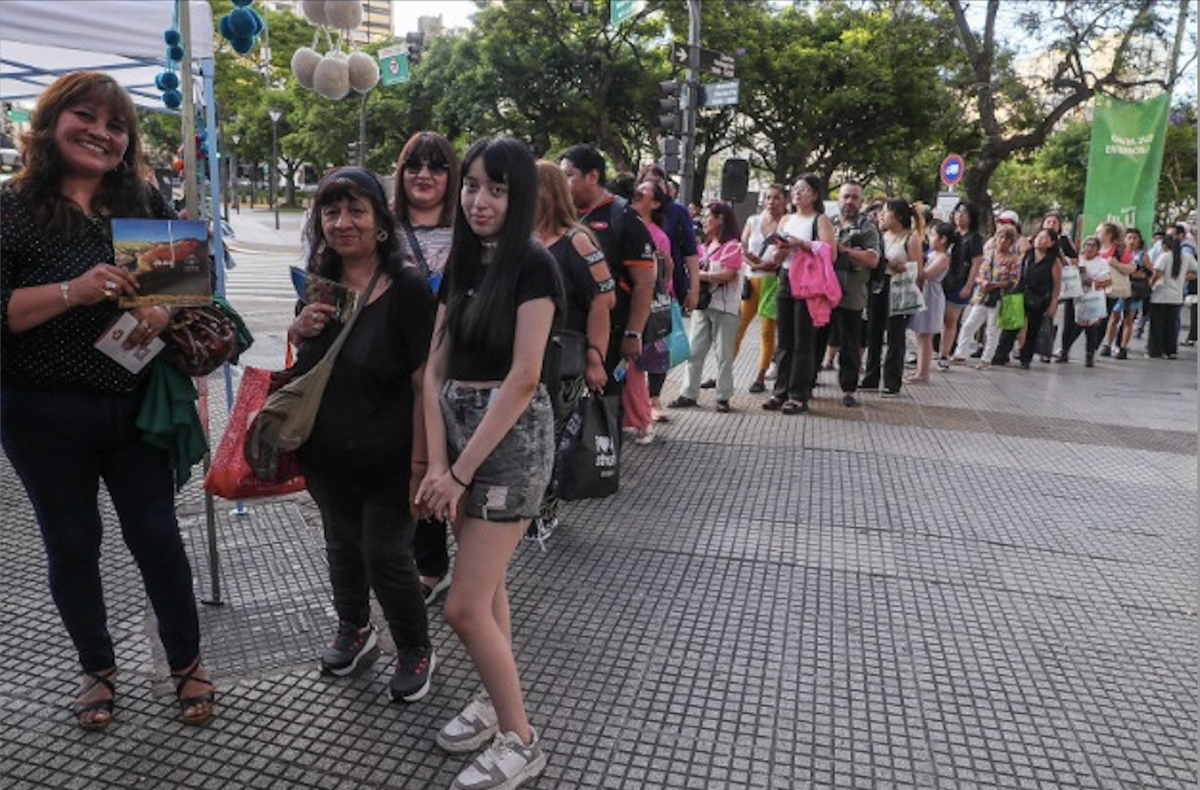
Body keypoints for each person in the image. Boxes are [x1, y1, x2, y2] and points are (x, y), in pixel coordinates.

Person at [0, 71, 214, 730]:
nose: (101, 132)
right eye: (85, 117)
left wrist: (158, 308)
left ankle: (186, 662)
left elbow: (184, 283)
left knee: (156, 538)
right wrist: (73, 291)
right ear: (51, 122)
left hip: (132, 402)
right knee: (71, 546)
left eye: (116, 124)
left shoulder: (143, 199)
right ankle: (96, 666)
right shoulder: (9, 207)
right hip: (40, 413)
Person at [417, 137, 561, 790]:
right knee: (489, 591)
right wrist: (435, 462)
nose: (478, 200)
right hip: (458, 439)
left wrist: (460, 471)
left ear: (520, 194)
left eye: (497, 189)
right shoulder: (465, 260)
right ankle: (495, 705)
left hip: (508, 445)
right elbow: (434, 367)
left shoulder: (535, 266)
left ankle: (522, 741)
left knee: (464, 606)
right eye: (472, 184)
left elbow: (525, 378)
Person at [291, 167, 438, 702]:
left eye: (356, 210)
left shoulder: (408, 288)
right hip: (327, 453)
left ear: (380, 220)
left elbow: (427, 380)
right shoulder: (320, 279)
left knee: (387, 556)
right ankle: (355, 628)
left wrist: (425, 463)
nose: (342, 222)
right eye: (331, 211)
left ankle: (415, 646)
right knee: (341, 546)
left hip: (391, 456)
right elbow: (308, 361)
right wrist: (299, 326)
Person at [529, 159, 614, 542]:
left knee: (550, 435)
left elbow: (603, 299)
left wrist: (596, 356)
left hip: (564, 357)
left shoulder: (577, 240)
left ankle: (543, 513)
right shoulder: (521, 239)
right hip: (525, 354)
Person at [392, 131, 460, 606]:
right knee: (400, 463)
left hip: (452, 368)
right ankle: (406, 553)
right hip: (392, 365)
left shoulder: (470, 232)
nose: (424, 174)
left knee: (441, 460)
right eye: (414, 164)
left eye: (436, 166)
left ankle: (433, 564)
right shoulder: (383, 229)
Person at [560, 145, 656, 406]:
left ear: (592, 176)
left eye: (569, 176)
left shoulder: (622, 217)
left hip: (610, 336)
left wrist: (633, 334)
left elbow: (644, 282)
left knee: (603, 410)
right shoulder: (561, 215)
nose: (563, 184)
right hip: (567, 333)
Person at [761, 175, 837, 414]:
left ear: (814, 194)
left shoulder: (820, 219)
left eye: (803, 190)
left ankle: (798, 395)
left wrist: (801, 243)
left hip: (808, 284)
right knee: (784, 340)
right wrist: (777, 253)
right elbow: (778, 255)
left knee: (803, 341)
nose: (797, 194)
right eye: (795, 190)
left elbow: (830, 253)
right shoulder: (786, 219)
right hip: (785, 278)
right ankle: (779, 391)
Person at [670, 200, 744, 412]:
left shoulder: (733, 247)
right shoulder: (703, 247)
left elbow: (727, 275)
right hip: (704, 307)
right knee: (694, 351)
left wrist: (698, 275)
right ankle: (688, 393)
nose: (703, 221)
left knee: (724, 354)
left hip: (725, 309)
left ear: (720, 219)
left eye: (707, 216)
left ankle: (723, 396)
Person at [813, 181, 882, 407]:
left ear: (861, 202)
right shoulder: (827, 224)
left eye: (854, 197)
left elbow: (873, 259)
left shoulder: (867, 228)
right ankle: (809, 380)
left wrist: (842, 251)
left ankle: (849, 388)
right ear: (838, 199)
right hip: (823, 292)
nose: (849, 202)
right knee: (817, 339)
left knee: (850, 343)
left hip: (851, 294)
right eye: (846, 197)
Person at [628, 177, 674, 443]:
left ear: (655, 202)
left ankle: (644, 418)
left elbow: (664, 273)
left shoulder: (658, 235)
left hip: (644, 305)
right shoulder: (626, 222)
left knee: (638, 365)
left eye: (645, 191)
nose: (639, 192)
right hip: (629, 302)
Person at [870, 198, 924, 394]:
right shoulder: (882, 236)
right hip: (879, 287)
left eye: (886, 212)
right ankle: (871, 377)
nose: (881, 216)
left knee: (895, 336)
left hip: (900, 289)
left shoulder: (911, 238)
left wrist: (895, 265)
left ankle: (892, 381)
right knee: (874, 333)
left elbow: (917, 270)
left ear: (898, 216)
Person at [949, 223, 1022, 369]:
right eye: (1000, 237)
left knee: (992, 329)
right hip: (982, 295)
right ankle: (961, 353)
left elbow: (1014, 280)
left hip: (999, 297)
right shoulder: (988, 254)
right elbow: (978, 272)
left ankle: (986, 359)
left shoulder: (1014, 260)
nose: (1003, 241)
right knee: (969, 325)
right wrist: (981, 282)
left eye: (1007, 238)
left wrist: (996, 284)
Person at [735, 184, 786, 393]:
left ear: (785, 201)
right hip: (750, 279)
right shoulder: (753, 221)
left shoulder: (787, 223)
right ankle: (724, 370)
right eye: (768, 198)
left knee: (767, 331)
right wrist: (752, 260)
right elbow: (743, 245)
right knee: (738, 327)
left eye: (776, 198)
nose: (772, 202)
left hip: (772, 281)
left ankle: (760, 376)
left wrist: (765, 264)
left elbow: (782, 254)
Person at [993, 227, 1062, 369]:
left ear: (1052, 243)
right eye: (1038, 237)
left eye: (1044, 238)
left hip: (1040, 298)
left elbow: (1057, 285)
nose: (1040, 240)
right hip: (1019, 293)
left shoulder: (1054, 261)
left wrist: (1053, 303)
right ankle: (1000, 355)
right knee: (1010, 327)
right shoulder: (1026, 255)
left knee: (1033, 329)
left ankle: (1026, 358)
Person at [937, 201, 985, 371]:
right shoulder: (951, 234)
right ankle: (937, 351)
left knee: (950, 319)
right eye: (958, 212)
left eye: (964, 213)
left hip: (960, 282)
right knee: (939, 317)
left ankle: (944, 354)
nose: (960, 216)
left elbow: (976, 263)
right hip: (943, 280)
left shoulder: (974, 238)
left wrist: (969, 285)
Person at [906, 221, 954, 383]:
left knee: (925, 336)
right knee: (920, 335)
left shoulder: (943, 258)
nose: (930, 237)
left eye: (933, 234)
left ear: (943, 239)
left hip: (931, 296)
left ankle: (923, 373)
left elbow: (925, 274)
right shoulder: (933, 254)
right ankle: (920, 370)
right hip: (925, 293)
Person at [1147, 233, 1198, 359]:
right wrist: (1184, 278)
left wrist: (1150, 285)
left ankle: (1155, 350)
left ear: (1165, 245)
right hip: (1176, 296)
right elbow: (1196, 271)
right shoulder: (1186, 257)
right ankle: (1171, 350)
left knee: (1157, 325)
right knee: (1171, 325)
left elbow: (1157, 274)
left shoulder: (1164, 256)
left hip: (1160, 295)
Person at [1100, 226, 1142, 359]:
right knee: (1113, 317)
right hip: (1107, 289)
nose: (1132, 241)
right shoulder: (1100, 248)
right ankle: (1108, 344)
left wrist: (1116, 264)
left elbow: (1135, 269)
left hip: (1128, 289)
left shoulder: (1130, 253)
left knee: (1128, 318)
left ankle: (1123, 347)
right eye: (1129, 237)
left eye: (1135, 238)